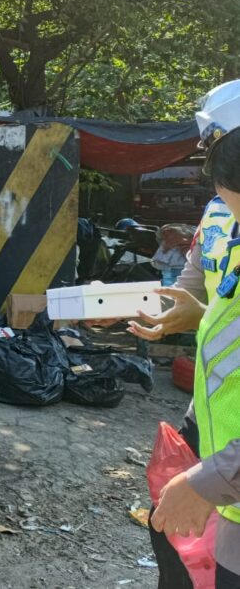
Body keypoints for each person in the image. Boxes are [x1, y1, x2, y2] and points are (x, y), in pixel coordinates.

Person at [144, 79, 240, 588]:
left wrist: (211, 479)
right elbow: (199, 297)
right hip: (214, 430)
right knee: (174, 547)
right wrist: (174, 312)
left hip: (229, 463)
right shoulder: (221, 216)